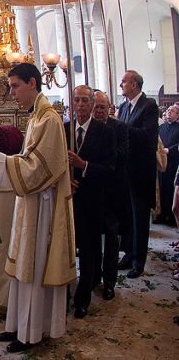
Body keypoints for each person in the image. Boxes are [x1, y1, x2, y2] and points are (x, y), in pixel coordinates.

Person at [0, 63, 75, 353]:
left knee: (33, 264)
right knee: (24, 264)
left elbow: (37, 170)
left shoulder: (49, 120)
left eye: (15, 86)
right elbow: (28, 159)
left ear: (33, 83)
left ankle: (31, 333)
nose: (12, 93)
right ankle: (18, 325)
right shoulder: (35, 117)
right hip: (30, 202)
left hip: (42, 205)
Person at [64, 85, 115, 318]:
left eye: (85, 100)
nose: (81, 105)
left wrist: (83, 166)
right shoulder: (63, 129)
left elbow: (110, 169)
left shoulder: (104, 133)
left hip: (92, 200)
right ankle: (63, 292)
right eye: (77, 100)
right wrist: (66, 181)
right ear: (72, 104)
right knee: (65, 248)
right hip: (66, 199)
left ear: (93, 105)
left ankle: (83, 298)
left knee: (88, 249)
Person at [117, 70, 159, 278]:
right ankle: (128, 253)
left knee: (140, 217)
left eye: (124, 81)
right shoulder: (124, 107)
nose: (120, 84)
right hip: (125, 171)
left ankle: (138, 261)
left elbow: (147, 137)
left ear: (134, 84)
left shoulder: (149, 105)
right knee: (126, 216)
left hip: (141, 171)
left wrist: (119, 127)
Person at [92, 90, 129, 301]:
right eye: (95, 107)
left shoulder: (119, 128)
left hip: (113, 192)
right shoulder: (88, 129)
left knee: (112, 240)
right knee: (93, 239)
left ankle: (110, 283)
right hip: (93, 193)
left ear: (109, 109)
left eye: (102, 107)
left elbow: (123, 157)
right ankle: (94, 277)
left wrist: (105, 151)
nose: (98, 111)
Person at [157, 105, 179, 225]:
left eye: (172, 111)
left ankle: (171, 217)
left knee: (170, 189)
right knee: (161, 188)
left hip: (173, 163)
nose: (169, 112)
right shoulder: (161, 127)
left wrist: (169, 150)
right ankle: (161, 214)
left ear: (177, 115)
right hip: (161, 163)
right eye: (168, 110)